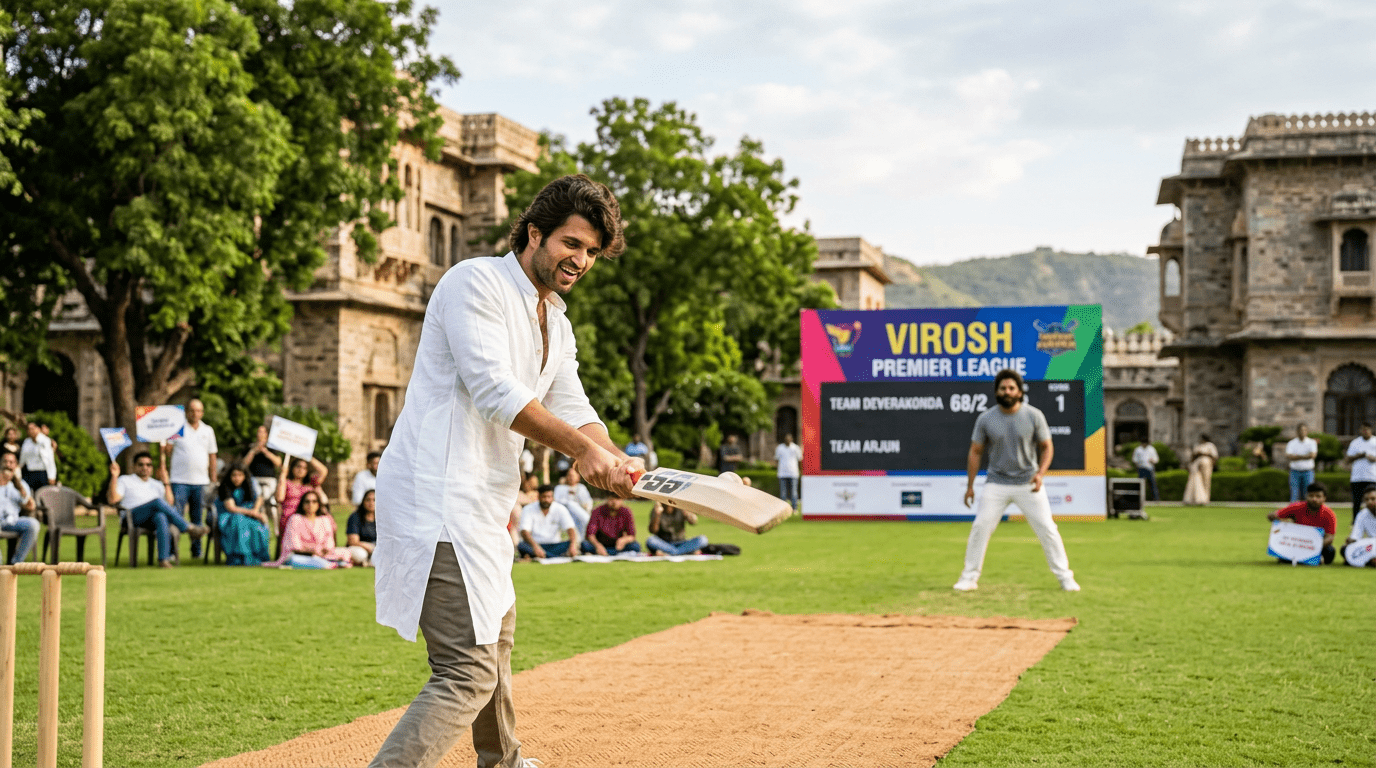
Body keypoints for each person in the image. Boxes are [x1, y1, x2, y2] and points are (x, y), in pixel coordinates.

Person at [370, 174, 637, 768]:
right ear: (534, 232)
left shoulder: (556, 323)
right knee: (466, 670)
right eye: (572, 243)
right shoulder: (475, 283)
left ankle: (504, 761)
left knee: (497, 638)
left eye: (592, 252)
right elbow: (496, 392)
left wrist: (613, 458)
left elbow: (573, 406)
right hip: (434, 497)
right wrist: (582, 453)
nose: (581, 260)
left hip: (484, 506)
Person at [955, 369, 1079, 592]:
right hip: (996, 483)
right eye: (1002, 388)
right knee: (980, 526)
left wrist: (1040, 474)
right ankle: (969, 578)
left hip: (1028, 483)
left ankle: (1065, 578)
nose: (1007, 391)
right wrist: (970, 486)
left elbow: (1047, 447)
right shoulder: (986, 418)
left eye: (1011, 388)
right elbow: (975, 451)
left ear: (1020, 392)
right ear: (996, 392)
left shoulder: (1034, 415)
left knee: (1047, 529)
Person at [108, 451, 208, 568]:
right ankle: (188, 528)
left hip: (151, 519)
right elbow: (113, 499)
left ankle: (163, 559)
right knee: (157, 502)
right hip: (132, 516)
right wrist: (114, 476)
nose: (145, 467)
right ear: (134, 466)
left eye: (148, 465)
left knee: (161, 516)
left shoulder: (157, 484)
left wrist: (166, 482)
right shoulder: (125, 480)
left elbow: (170, 503)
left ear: (152, 467)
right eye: (141, 464)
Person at [166, 399, 218, 558]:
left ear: (202, 413)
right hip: (179, 480)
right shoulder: (177, 427)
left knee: (197, 518)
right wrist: (164, 443)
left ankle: (196, 551)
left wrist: (213, 479)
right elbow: (168, 451)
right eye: (192, 410)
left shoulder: (208, 430)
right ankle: (172, 551)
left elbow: (212, 455)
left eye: (198, 411)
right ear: (187, 412)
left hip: (200, 482)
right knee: (177, 516)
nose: (195, 414)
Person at [269, 491, 351, 567]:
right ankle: (331, 564)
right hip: (301, 555)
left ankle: (329, 563)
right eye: (307, 501)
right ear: (302, 504)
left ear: (318, 504)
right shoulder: (295, 519)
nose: (310, 504)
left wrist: (323, 550)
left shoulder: (324, 519)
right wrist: (312, 551)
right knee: (295, 559)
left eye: (314, 501)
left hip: (322, 554)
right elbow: (294, 546)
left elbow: (329, 542)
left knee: (345, 552)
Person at [215, 463, 270, 566]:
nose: (237, 478)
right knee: (239, 522)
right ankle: (239, 557)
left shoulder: (250, 485)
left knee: (256, 526)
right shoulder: (225, 487)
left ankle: (256, 557)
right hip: (229, 516)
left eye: (240, 475)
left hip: (248, 514)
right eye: (234, 475)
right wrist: (252, 513)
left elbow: (259, 498)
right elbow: (231, 508)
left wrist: (256, 510)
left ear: (245, 476)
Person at [1268, 482, 1336, 565]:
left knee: (1330, 551)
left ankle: (1304, 559)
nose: (1314, 499)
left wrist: (1313, 546)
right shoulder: (1296, 507)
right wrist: (1274, 517)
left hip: (1315, 545)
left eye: (1318, 496)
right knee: (1282, 554)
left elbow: (1330, 537)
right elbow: (1276, 515)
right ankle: (1305, 559)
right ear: (1306, 496)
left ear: (1324, 498)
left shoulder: (1329, 514)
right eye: (1311, 496)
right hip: (1296, 543)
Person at [275, 455, 328, 546]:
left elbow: (323, 471)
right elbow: (279, 498)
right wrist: (283, 475)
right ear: (292, 468)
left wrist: (308, 456)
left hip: (309, 514)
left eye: (304, 468)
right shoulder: (287, 483)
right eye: (298, 466)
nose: (301, 470)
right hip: (291, 516)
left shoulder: (311, 483)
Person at [517, 485, 581, 560]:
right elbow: (524, 532)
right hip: (536, 544)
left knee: (572, 543)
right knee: (521, 546)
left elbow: (570, 528)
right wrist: (536, 547)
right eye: (544, 497)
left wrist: (573, 545)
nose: (546, 500)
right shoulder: (528, 509)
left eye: (549, 497)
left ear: (553, 497)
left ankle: (543, 556)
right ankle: (555, 556)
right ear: (539, 497)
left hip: (555, 545)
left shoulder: (560, 509)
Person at [0, 451, 39, 564]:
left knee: (33, 524)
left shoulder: (20, 484)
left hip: (12, 521)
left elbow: (30, 506)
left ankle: (16, 563)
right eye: (5, 461)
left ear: (16, 465)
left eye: (11, 462)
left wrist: (17, 484)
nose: (8, 464)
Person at [1345, 422, 1376, 523]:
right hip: (1357, 477)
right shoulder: (1355, 442)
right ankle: (1356, 522)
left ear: (1371, 430)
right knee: (1357, 501)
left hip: (1372, 477)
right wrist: (1359, 456)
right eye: (1363, 429)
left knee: (1372, 501)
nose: (1365, 431)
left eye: (1366, 429)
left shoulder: (1374, 442)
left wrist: (1372, 458)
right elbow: (1347, 459)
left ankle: (1372, 521)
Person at [242, 425, 281, 502]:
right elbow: (244, 464)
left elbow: (278, 463)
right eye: (259, 432)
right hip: (254, 479)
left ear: (267, 434)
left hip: (270, 480)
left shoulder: (272, 447)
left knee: (267, 497)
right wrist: (253, 451)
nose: (260, 434)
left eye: (263, 432)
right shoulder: (250, 447)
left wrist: (265, 451)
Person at [553, 466, 593, 536]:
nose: (571, 478)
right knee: (570, 504)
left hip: (579, 513)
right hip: (564, 513)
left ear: (578, 477)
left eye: (573, 476)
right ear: (566, 477)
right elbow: (555, 502)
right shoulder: (559, 488)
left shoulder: (581, 488)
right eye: (569, 475)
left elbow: (588, 502)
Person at [1342, 487, 1376, 567]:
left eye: (1373, 499)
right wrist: (1350, 542)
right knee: (1344, 549)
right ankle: (1370, 560)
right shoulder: (1362, 514)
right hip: (1371, 546)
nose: (1369, 502)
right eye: (1366, 499)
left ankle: (1367, 560)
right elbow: (1356, 537)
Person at [1285, 424, 1319, 503]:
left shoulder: (1311, 442)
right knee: (1294, 495)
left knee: (1308, 494)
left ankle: (1307, 514)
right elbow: (1289, 456)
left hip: (1308, 472)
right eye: (1300, 430)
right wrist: (1305, 456)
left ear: (1307, 431)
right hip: (1294, 472)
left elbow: (1312, 455)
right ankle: (1293, 514)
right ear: (1297, 432)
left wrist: (1297, 457)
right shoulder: (1292, 443)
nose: (1302, 432)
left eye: (1304, 430)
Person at [1182, 434, 1219, 506]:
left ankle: (1206, 499)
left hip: (1207, 463)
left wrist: (1204, 455)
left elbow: (1214, 456)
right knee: (1196, 480)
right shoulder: (1197, 445)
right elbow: (1193, 455)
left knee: (1206, 480)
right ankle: (1196, 498)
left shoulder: (1210, 445)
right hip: (1197, 464)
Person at [19, 421, 57, 490]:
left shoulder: (45, 441)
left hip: (42, 473)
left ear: (38, 429)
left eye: (33, 428)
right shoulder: (26, 442)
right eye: (29, 429)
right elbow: (23, 457)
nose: (31, 431)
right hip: (30, 473)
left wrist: (52, 476)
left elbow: (50, 460)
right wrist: (18, 467)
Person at [347, 489, 377, 567]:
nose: (371, 503)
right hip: (360, 547)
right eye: (368, 500)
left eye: (374, 500)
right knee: (360, 554)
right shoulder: (355, 517)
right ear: (363, 502)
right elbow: (353, 541)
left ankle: (370, 562)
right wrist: (369, 547)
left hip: (377, 547)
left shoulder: (382, 518)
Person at [509, 473, 539, 548]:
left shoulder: (537, 494)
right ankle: (517, 547)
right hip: (518, 521)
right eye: (530, 482)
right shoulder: (518, 494)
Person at [774, 433, 803, 510]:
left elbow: (800, 460)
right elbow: (776, 459)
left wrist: (800, 470)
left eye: (789, 439)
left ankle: (794, 508)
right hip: (782, 473)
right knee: (783, 493)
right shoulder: (780, 448)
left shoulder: (795, 448)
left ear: (791, 439)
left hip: (793, 473)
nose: (787, 440)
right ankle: (783, 509)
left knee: (794, 492)